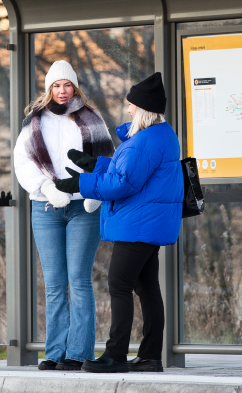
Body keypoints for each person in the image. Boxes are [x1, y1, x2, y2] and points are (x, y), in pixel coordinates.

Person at [55, 72, 183, 373]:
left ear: (144, 108)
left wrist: (81, 183)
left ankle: (115, 355)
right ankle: (149, 356)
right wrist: (97, 165)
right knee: (147, 289)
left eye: (132, 105)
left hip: (137, 224)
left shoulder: (143, 141)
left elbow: (122, 183)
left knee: (119, 285)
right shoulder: (162, 135)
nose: (128, 109)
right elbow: (131, 172)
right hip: (148, 223)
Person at [13, 60, 114, 370]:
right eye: (56, 85)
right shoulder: (34, 121)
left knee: (79, 280)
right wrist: (45, 186)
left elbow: (106, 159)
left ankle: (78, 353)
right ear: (49, 89)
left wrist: (95, 193)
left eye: (67, 85)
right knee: (55, 284)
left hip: (83, 207)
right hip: (46, 208)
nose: (61, 90)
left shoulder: (92, 118)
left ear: (75, 87)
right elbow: (22, 161)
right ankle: (55, 352)